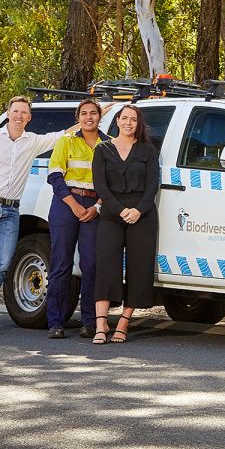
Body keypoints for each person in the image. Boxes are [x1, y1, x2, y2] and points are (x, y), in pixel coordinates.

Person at [0, 96, 67, 334]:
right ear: (8, 113)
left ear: (29, 117)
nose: (19, 115)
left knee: (1, 264)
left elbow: (62, 135)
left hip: (11, 210)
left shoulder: (33, 142)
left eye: (24, 112)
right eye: (15, 111)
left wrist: (96, 112)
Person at [91, 104, 160, 344]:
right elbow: (100, 186)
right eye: (125, 118)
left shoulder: (147, 150)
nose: (129, 123)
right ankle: (101, 323)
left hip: (143, 215)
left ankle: (123, 322)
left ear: (139, 124)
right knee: (106, 264)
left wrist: (138, 210)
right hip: (112, 213)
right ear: (117, 121)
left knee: (138, 267)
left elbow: (152, 185)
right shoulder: (102, 149)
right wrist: (120, 210)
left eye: (134, 119)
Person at [44, 98, 110, 339]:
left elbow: (110, 183)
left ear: (99, 117)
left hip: (94, 206)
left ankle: (89, 322)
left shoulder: (108, 145)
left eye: (93, 113)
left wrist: (97, 207)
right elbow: (55, 176)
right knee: (61, 264)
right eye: (84, 113)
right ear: (78, 117)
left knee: (90, 265)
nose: (89, 117)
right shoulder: (66, 141)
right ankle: (55, 322)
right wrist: (73, 205)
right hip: (66, 205)